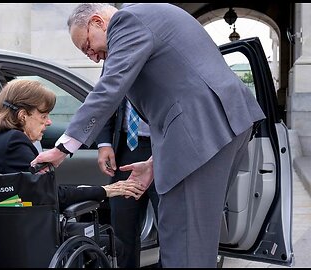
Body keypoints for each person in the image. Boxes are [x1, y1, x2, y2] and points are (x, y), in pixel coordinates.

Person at [31, 3, 266, 268]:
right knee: (197, 234)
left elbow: (109, 89)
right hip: (220, 124)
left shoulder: (127, 21)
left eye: (87, 46)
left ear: (98, 22)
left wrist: (62, 149)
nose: (94, 57)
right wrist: (154, 163)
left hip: (202, 129)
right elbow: (183, 89)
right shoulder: (150, 19)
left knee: (184, 235)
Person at [0, 79, 146, 211]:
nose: (49, 122)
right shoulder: (15, 142)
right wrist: (105, 190)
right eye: (44, 116)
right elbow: (49, 195)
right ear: (23, 115)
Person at [96, 98, 159, 268]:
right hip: (126, 148)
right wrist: (104, 144)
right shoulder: (118, 69)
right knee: (123, 229)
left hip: (163, 146)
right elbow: (104, 99)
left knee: (171, 229)